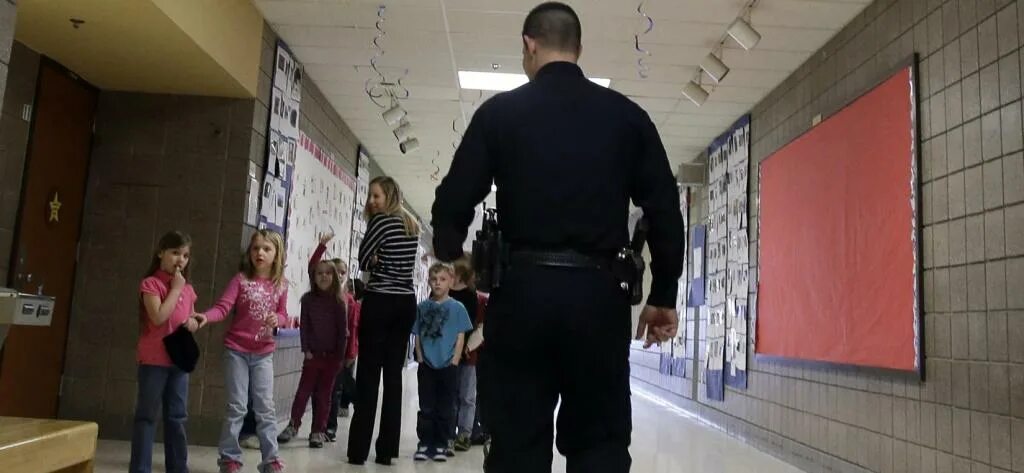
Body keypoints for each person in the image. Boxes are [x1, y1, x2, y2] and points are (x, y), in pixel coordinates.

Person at [429, 3, 685, 472]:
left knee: (516, 447)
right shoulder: (627, 118)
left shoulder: (500, 114)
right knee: (599, 446)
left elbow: (451, 202)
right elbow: (665, 210)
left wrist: (453, 255)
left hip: (521, 295)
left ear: (529, 44)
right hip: (599, 299)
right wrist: (663, 293)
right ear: (578, 48)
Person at [198, 230, 290, 473]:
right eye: (255, 248)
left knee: (265, 407)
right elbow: (222, 307)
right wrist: (204, 318)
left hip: (263, 353)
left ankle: (270, 460)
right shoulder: (240, 280)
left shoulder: (280, 285)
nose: (260, 252)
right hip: (236, 351)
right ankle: (229, 458)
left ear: (276, 254)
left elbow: (285, 315)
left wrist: (277, 319)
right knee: (237, 405)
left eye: (266, 249)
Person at [347, 176, 421, 466]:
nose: (371, 202)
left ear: (389, 195)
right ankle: (387, 451)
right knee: (393, 378)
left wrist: (378, 259)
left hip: (380, 300)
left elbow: (364, 260)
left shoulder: (380, 221)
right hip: (405, 302)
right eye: (370, 196)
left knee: (368, 376)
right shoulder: (411, 224)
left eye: (376, 196)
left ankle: (357, 452)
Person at [129, 231, 203, 473]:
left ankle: (178, 467)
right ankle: (140, 468)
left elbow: (189, 315)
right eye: (174, 253)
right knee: (147, 416)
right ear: (161, 252)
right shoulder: (151, 284)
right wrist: (175, 289)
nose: (180, 260)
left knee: (177, 417)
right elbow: (159, 317)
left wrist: (194, 321)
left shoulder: (188, 289)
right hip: (154, 361)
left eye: (185, 255)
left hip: (178, 361)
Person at [278, 233, 348, 448]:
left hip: (331, 358)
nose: (324, 276)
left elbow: (342, 331)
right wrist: (305, 348)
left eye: (329, 273)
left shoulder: (338, 302)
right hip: (312, 355)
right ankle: (293, 424)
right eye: (320, 273)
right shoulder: (308, 300)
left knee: (324, 395)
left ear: (335, 277)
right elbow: (305, 327)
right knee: (303, 392)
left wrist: (340, 357)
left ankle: (318, 430)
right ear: (313, 276)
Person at [412, 263, 473, 463]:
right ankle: (425, 443)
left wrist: (455, 360)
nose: (437, 283)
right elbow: (418, 335)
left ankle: (441, 443)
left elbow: (460, 336)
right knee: (427, 405)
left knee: (446, 407)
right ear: (429, 281)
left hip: (448, 365)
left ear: (451, 281)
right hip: (427, 364)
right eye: (434, 279)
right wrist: (420, 357)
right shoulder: (422, 307)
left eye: (442, 279)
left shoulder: (458, 308)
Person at [448, 257, 479, 452]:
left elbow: (471, 323)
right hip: (448, 351)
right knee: (451, 395)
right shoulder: (447, 292)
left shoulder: (470, 294)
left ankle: (464, 434)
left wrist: (466, 347)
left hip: (467, 352)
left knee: (466, 395)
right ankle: (450, 433)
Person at [327, 277, 362, 442]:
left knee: (337, 388)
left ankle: (330, 426)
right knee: (327, 389)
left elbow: (354, 330)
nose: (338, 277)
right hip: (325, 352)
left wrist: (352, 353)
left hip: (343, 353)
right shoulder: (325, 298)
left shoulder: (351, 303)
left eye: (342, 272)